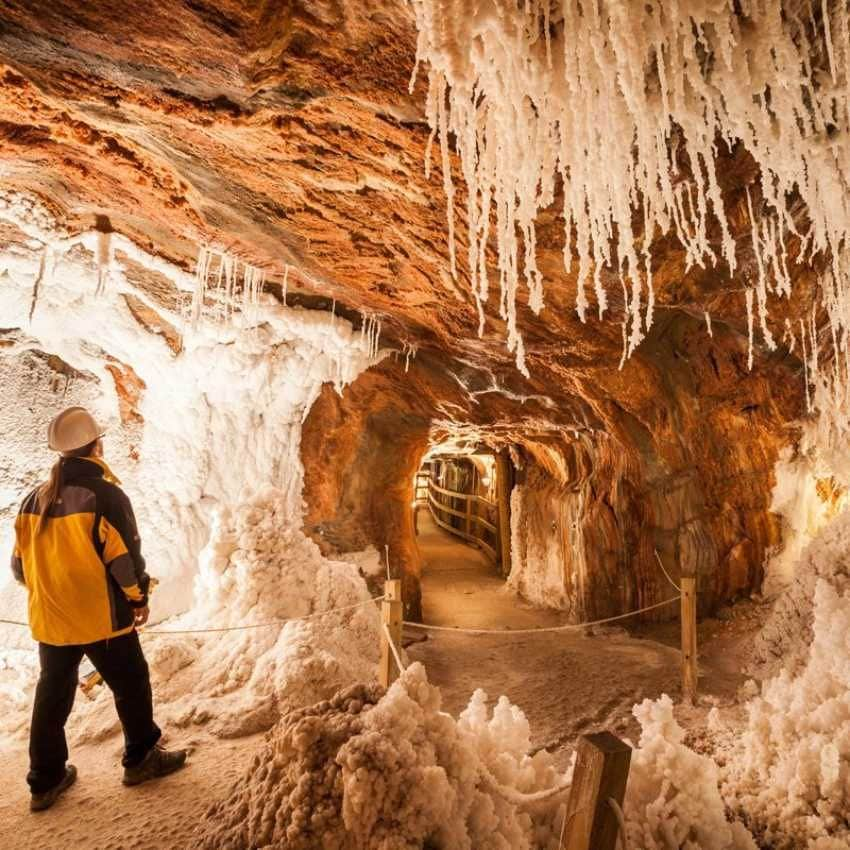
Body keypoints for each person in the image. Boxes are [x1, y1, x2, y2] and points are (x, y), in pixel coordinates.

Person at [10, 406, 187, 811]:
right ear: (95, 446)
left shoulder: (31, 500)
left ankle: (45, 780)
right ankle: (141, 757)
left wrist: (51, 591)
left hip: (50, 619)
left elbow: (19, 567)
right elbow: (124, 560)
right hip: (100, 618)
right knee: (131, 683)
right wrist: (138, 599)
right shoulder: (105, 496)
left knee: (52, 697)